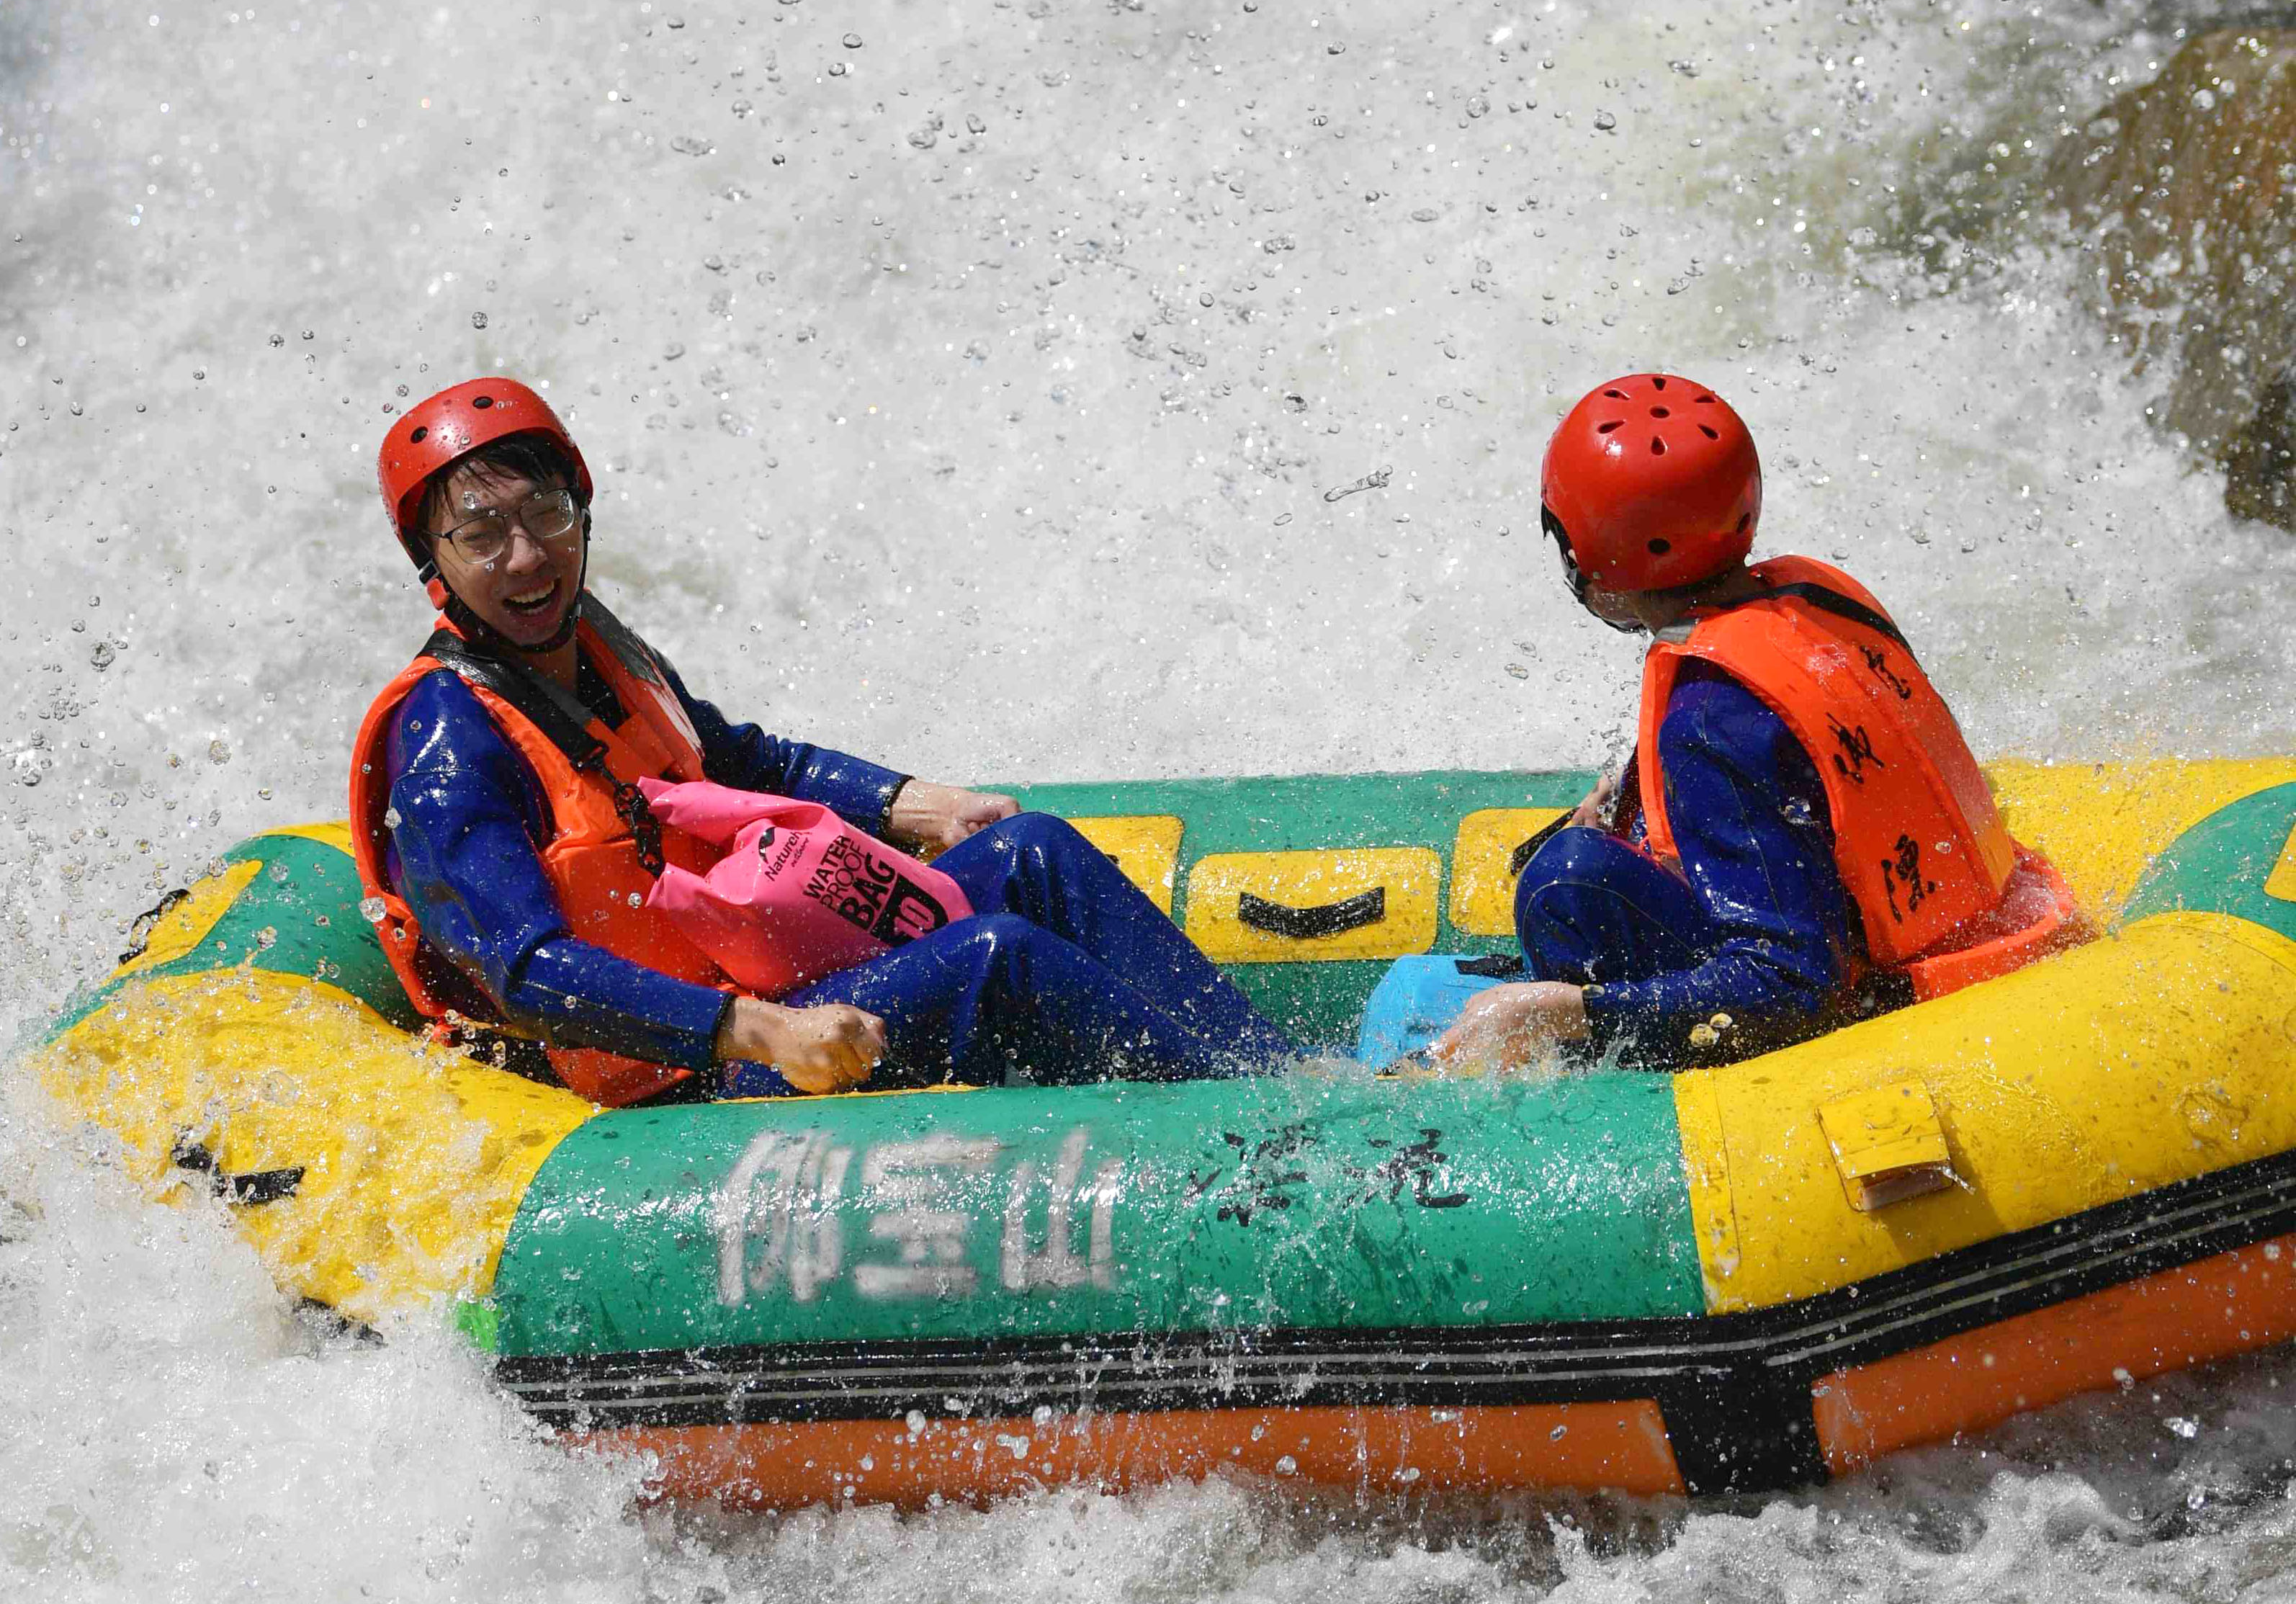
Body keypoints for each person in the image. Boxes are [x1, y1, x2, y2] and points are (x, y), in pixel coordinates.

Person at [349, 377, 1295, 1102]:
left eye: (545, 516)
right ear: (432, 562)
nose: (526, 557)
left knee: (1032, 852)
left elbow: (744, 762)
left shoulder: (597, 648)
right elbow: (529, 974)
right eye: (480, 534)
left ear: (581, 513)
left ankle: (1291, 1084)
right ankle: (1242, 1128)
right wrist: (755, 1031)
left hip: (758, 971)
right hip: (687, 1072)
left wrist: (913, 801)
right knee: (992, 956)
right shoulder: (448, 739)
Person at [1434, 372, 2082, 1074]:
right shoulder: (1803, 597)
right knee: (1591, 848)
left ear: (1577, 552)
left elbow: (1794, 981)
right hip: (1985, 934)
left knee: (1564, 882)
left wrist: (1570, 1010)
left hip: (1888, 1007)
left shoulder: (1706, 720)